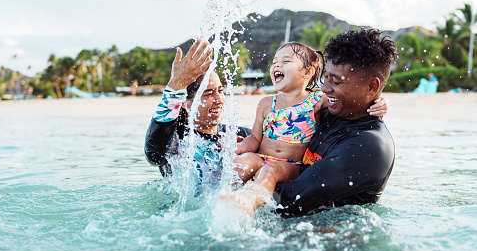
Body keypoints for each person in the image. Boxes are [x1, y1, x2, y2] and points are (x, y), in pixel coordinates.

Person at [220, 41, 388, 215]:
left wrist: (381, 102)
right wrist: (237, 147)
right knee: (242, 161)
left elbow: (355, 96)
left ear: (308, 72)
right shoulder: (266, 104)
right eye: (275, 62)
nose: (277, 65)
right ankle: (221, 196)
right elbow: (255, 139)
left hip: (288, 165)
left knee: (270, 171)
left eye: (286, 61)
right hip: (261, 157)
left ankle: (249, 199)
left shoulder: (315, 101)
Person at [144, 39, 251, 189]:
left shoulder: (240, 135)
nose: (220, 99)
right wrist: (176, 85)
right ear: (186, 103)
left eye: (220, 90)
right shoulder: (177, 141)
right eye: (208, 94)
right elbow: (154, 155)